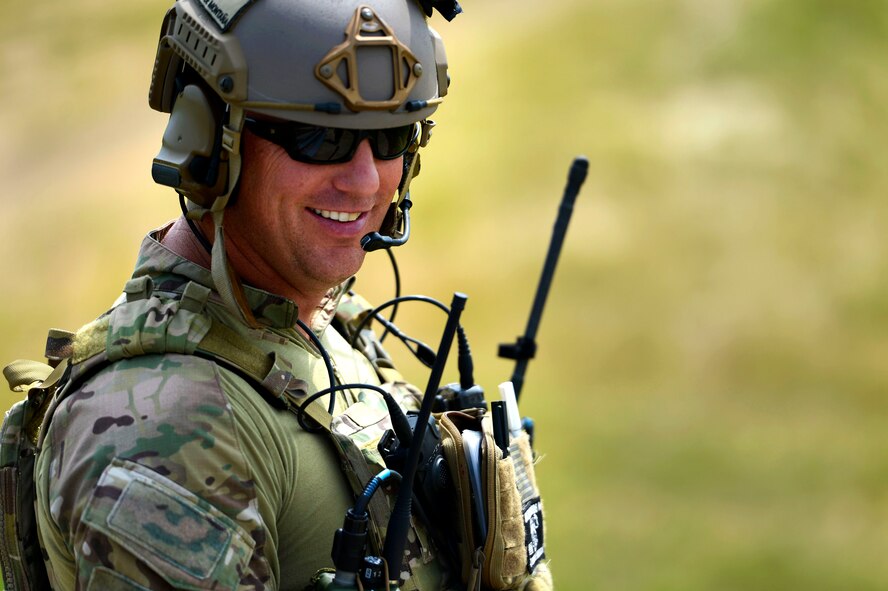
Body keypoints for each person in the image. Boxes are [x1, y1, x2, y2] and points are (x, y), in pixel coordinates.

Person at [23, 0, 552, 589]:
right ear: (208, 145)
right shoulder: (165, 427)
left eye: (389, 136)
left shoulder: (315, 326)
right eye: (320, 137)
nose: (365, 180)